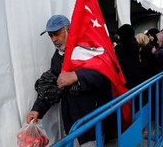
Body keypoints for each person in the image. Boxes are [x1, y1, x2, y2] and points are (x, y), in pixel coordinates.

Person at [26, 15, 113, 146]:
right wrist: (37, 109)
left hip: (92, 121)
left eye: (57, 34)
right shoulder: (57, 57)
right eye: (51, 36)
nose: (54, 39)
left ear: (69, 30)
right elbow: (53, 85)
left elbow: (103, 73)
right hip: (71, 121)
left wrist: (77, 75)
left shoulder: (88, 47)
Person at [115, 24, 142, 90]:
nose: (118, 38)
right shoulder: (134, 44)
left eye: (120, 35)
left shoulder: (124, 47)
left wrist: (117, 48)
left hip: (128, 78)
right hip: (135, 77)